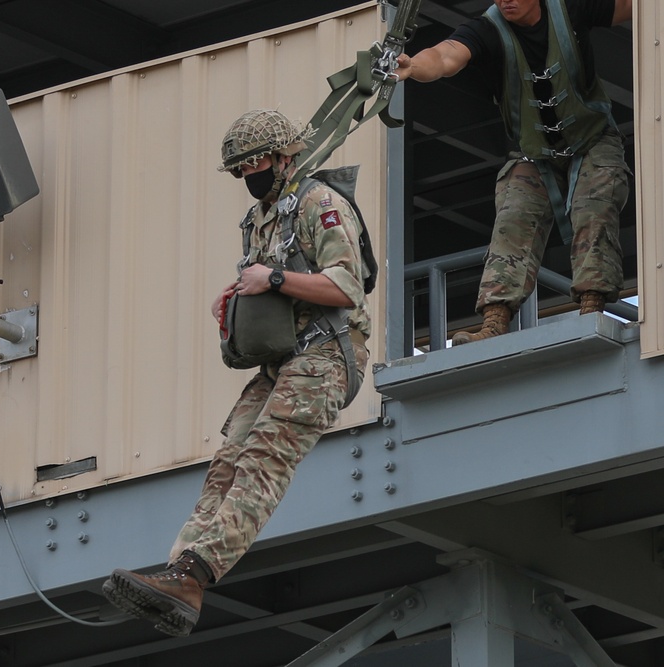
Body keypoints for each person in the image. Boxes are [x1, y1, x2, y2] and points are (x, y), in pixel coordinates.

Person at [101, 109, 373, 636]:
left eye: (258, 164)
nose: (251, 176)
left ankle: (195, 574)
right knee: (227, 464)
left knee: (263, 461)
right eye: (241, 170)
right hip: (283, 360)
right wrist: (239, 298)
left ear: (283, 157)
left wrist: (270, 278)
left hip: (323, 357)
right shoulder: (261, 219)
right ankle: (182, 573)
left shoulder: (320, 203)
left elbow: (347, 287)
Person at [395, 0, 633, 344]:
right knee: (512, 219)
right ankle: (494, 323)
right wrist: (414, 66)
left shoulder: (572, 8)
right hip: (534, 154)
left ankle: (591, 309)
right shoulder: (488, 29)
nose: (506, 0)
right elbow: (446, 56)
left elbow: (637, 7)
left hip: (593, 138)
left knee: (595, 207)